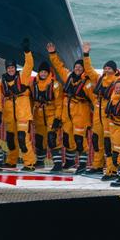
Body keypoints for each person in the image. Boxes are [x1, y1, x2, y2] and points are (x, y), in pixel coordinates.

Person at [48, 42, 95, 174]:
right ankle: (69, 161)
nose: (78, 69)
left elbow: (95, 100)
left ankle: (83, 164)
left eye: (80, 67)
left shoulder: (87, 84)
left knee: (80, 140)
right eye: (76, 67)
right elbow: (59, 66)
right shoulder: (68, 77)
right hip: (67, 113)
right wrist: (52, 54)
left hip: (81, 114)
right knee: (68, 139)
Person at [83, 49, 120, 178]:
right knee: (96, 141)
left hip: (109, 118)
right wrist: (86, 55)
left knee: (109, 144)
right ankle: (97, 166)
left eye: (110, 68)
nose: (107, 70)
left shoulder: (118, 83)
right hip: (97, 115)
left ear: (115, 70)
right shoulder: (100, 78)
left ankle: (111, 170)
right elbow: (88, 70)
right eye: (106, 67)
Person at [0, 39, 36, 171]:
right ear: (6, 69)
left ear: (15, 68)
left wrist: (27, 51)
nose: (11, 70)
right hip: (10, 116)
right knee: (10, 140)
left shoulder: (23, 77)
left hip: (22, 114)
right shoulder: (1, 81)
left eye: (13, 68)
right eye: (9, 68)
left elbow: (29, 64)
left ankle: (29, 163)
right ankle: (11, 162)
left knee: (22, 138)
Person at [31, 60, 64, 171]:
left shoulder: (55, 85)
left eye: (45, 72)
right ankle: (40, 162)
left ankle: (58, 164)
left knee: (52, 138)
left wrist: (57, 118)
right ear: (38, 73)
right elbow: (31, 101)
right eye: (41, 72)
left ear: (49, 73)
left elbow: (59, 104)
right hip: (38, 116)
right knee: (39, 140)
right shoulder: (34, 84)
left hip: (51, 115)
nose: (43, 74)